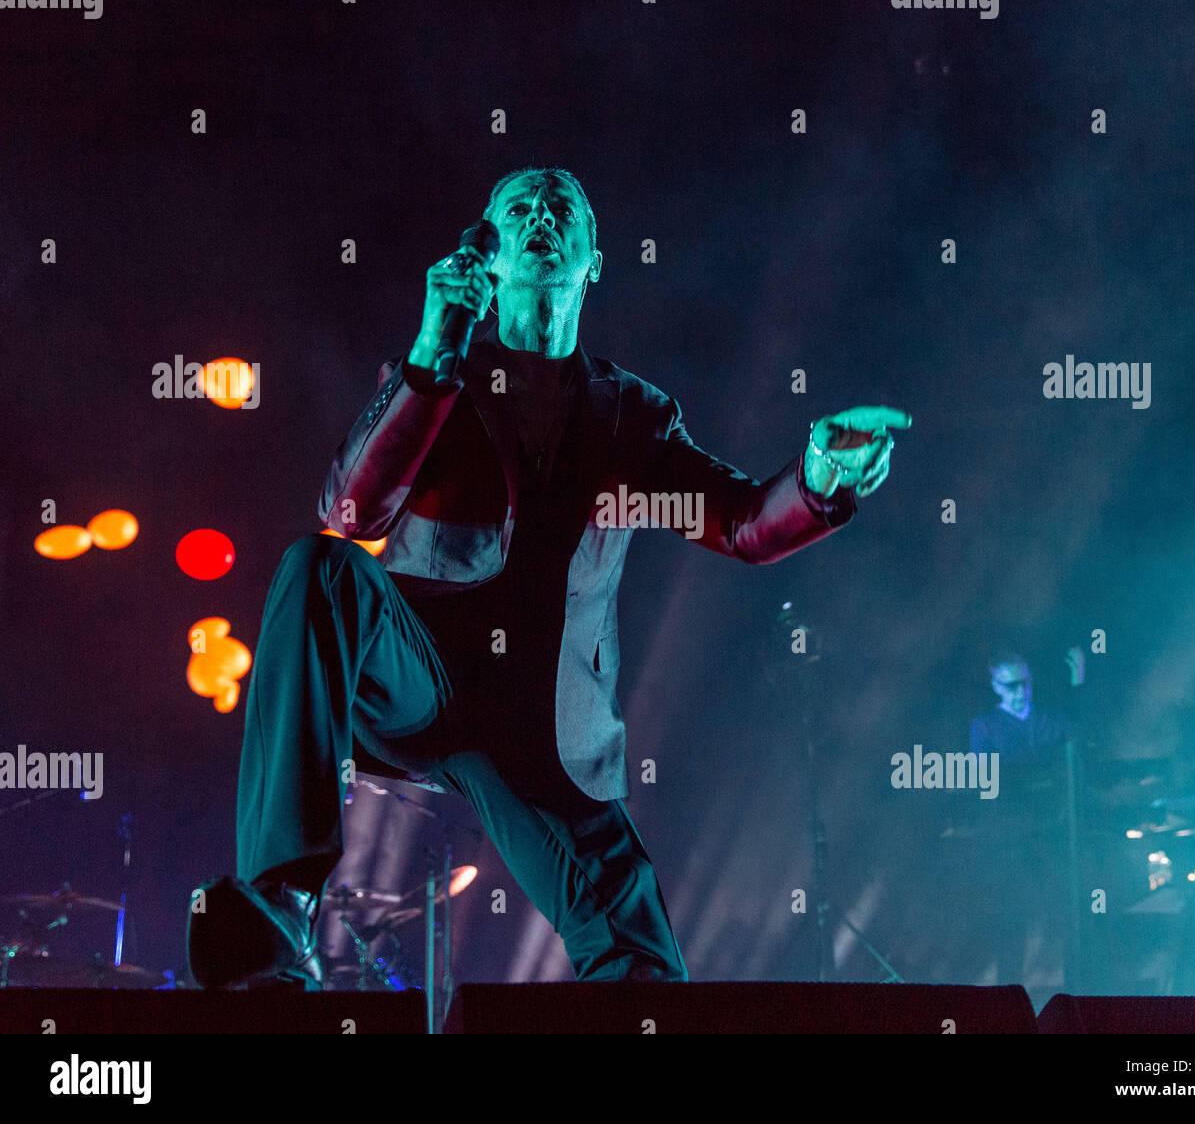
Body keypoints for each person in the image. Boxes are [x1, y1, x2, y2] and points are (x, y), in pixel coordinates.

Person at [186, 167, 912, 989]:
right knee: (319, 566)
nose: (540, 215)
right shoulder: (436, 384)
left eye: (560, 207)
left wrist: (817, 478)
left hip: (541, 731)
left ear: (593, 260)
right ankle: (283, 901)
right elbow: (352, 516)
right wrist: (432, 355)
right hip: (422, 682)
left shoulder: (631, 417)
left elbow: (742, 522)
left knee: (642, 969)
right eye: (519, 207)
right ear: (487, 256)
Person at [965, 644, 1087, 997]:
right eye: (1011, 685)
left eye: (1024, 683)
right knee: (1012, 924)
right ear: (996, 687)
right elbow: (986, 783)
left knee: (1069, 917)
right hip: (1011, 841)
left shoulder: (1053, 722)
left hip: (1056, 837)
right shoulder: (985, 727)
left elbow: (1081, 745)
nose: (1020, 691)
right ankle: (1008, 1004)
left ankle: (1076, 1000)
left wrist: (1078, 684)